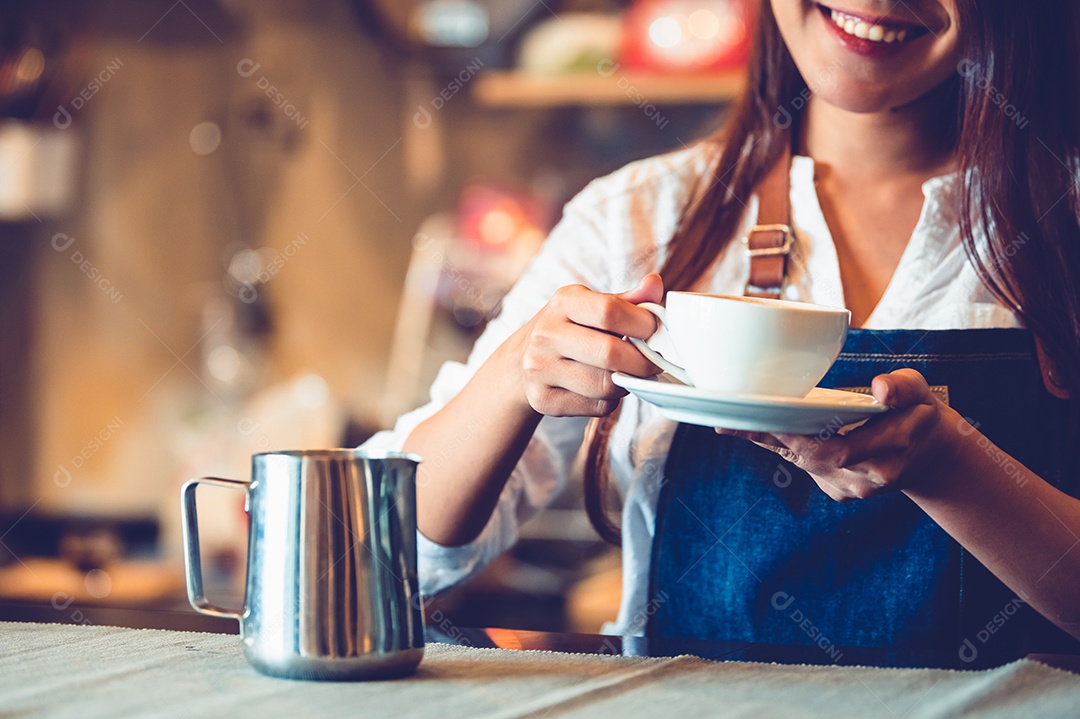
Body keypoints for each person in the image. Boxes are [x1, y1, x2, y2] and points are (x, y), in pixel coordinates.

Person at [364, 0, 1080, 662]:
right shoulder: (635, 219)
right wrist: (516, 373)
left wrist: (953, 469)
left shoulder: (1064, 226)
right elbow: (391, 562)